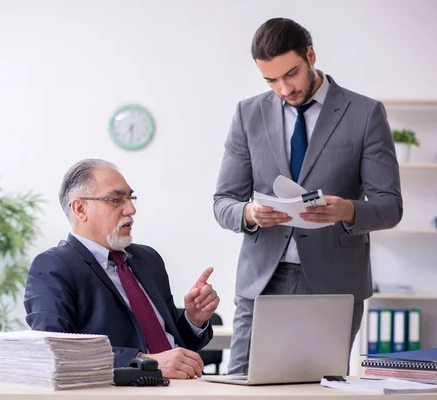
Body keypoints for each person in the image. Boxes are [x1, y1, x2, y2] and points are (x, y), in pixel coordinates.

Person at [213, 17, 402, 374]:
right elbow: (223, 202)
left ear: (311, 55)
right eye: (270, 80)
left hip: (334, 282)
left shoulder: (364, 113)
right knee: (242, 383)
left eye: (291, 74)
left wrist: (347, 211)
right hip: (262, 282)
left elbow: (390, 206)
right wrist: (250, 214)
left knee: (316, 388)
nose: (283, 88)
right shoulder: (247, 113)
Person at [24, 159, 220, 379]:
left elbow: (174, 346)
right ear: (80, 209)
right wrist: (145, 363)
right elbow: (54, 349)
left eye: (130, 198)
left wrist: (193, 320)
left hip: (187, 388)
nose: (131, 209)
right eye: (116, 200)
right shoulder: (53, 266)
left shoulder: (149, 259)